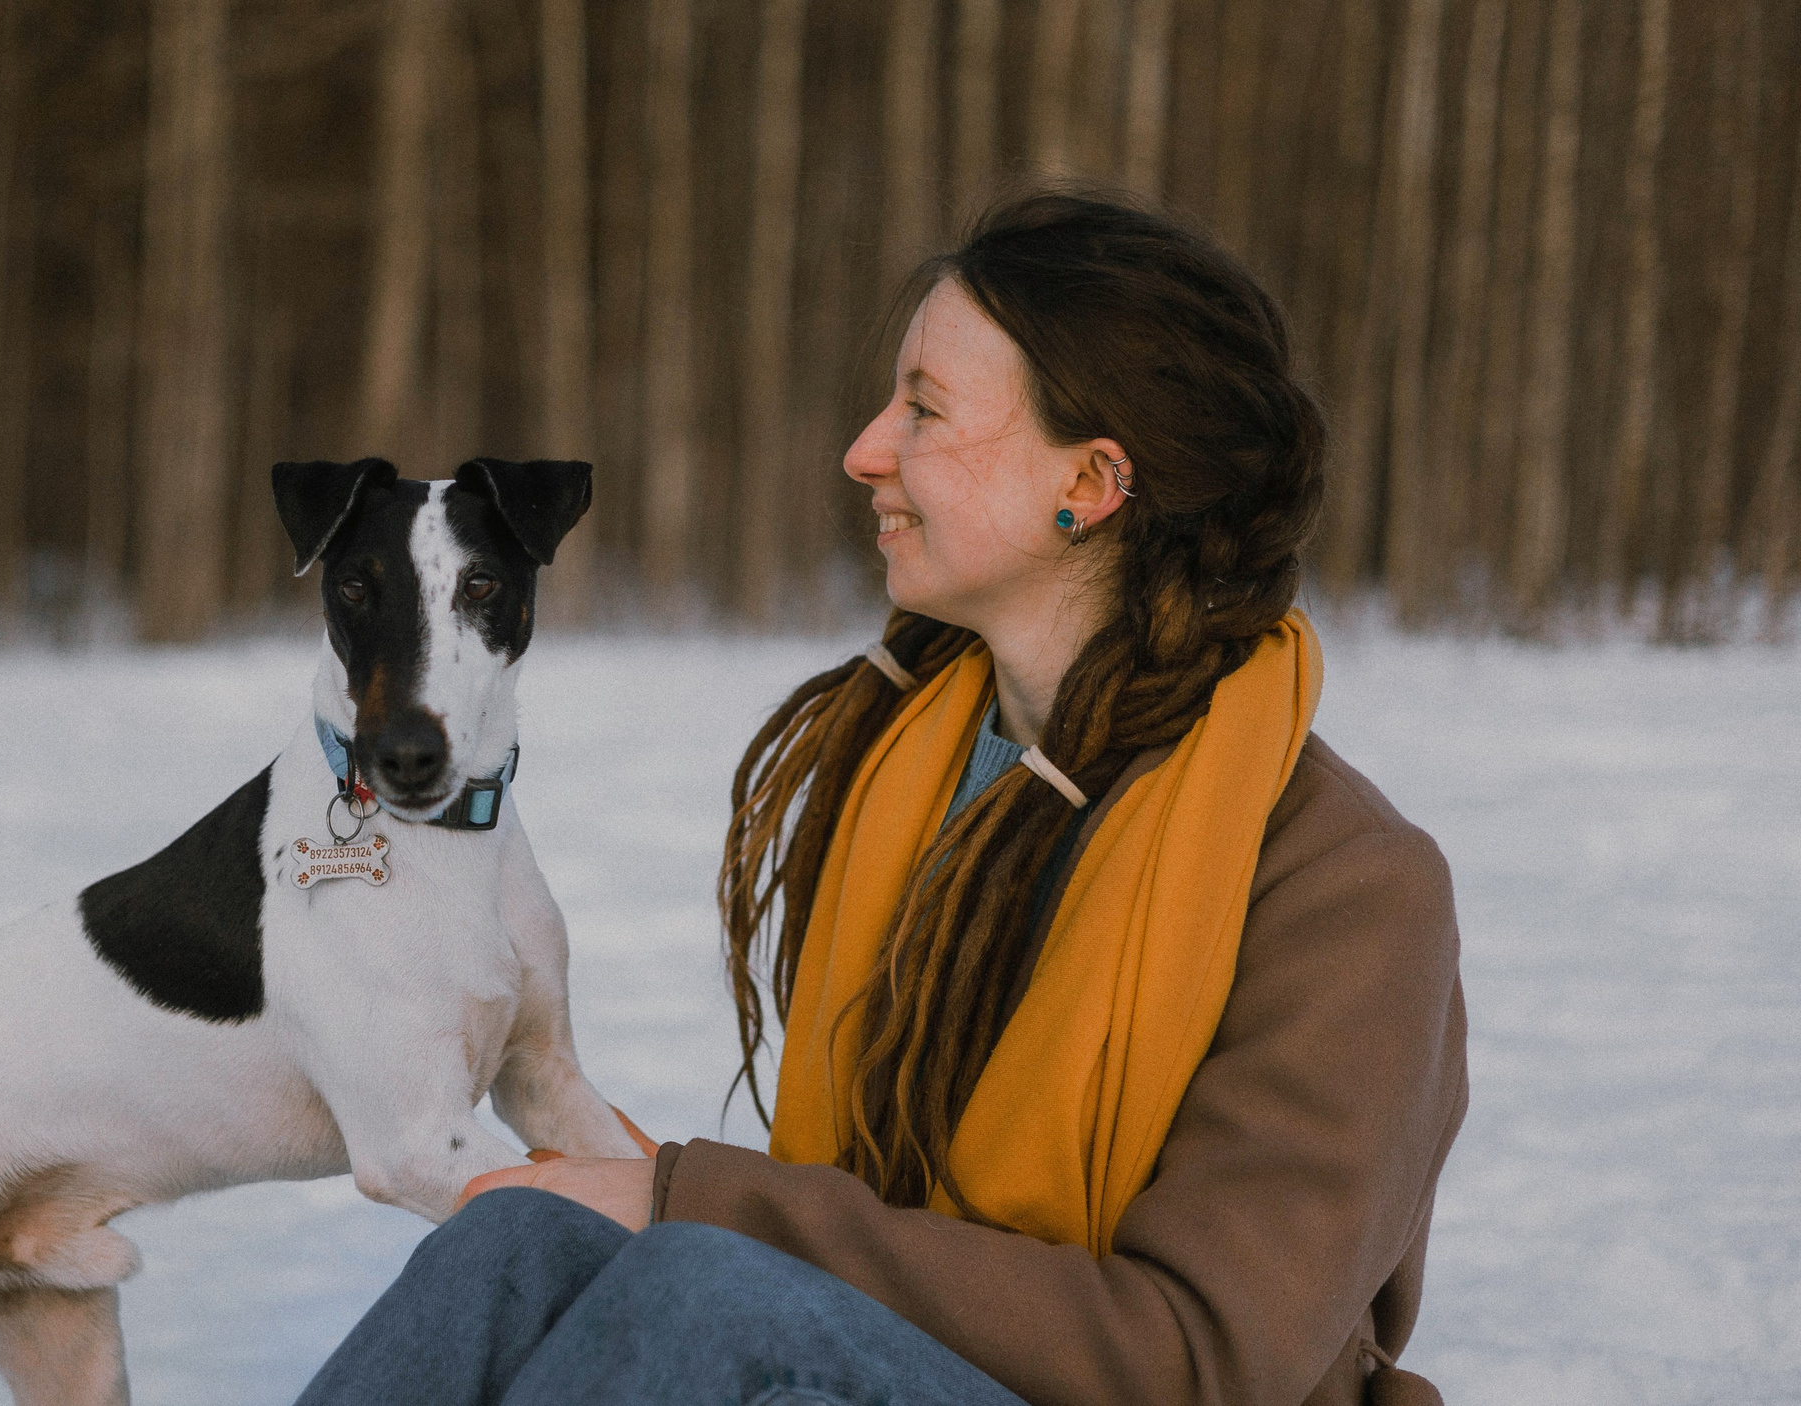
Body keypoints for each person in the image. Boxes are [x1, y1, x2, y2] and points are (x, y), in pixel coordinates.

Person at [293, 186, 1467, 1406]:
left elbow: (1195, 1354)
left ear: (1089, 481)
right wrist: (644, 1188)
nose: (864, 450)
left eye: (923, 408)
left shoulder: (1347, 886)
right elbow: (875, 1219)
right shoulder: (913, 769)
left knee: (699, 1288)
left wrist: (698, 1204)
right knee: (514, 1237)